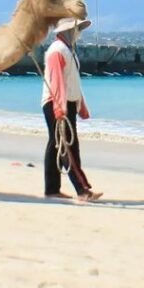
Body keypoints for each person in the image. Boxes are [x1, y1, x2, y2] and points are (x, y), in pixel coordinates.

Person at [42, 17, 102, 203]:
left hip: (66, 102)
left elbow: (72, 82)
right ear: (67, 31)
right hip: (57, 102)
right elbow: (57, 82)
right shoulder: (57, 51)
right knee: (68, 146)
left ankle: (52, 189)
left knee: (55, 145)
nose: (78, 33)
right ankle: (82, 190)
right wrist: (60, 108)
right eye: (76, 29)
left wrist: (81, 106)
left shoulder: (69, 51)